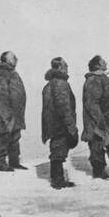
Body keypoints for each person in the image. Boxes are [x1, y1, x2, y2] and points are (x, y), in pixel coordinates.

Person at [41, 57, 78, 189]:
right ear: (59, 67)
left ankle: (57, 178)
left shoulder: (50, 84)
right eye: (65, 65)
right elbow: (64, 108)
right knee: (58, 152)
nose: (67, 67)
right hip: (60, 125)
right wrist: (71, 127)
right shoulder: (61, 84)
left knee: (57, 151)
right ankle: (57, 180)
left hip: (53, 125)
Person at [0, 51, 27, 171]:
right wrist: (7, 115)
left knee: (15, 138)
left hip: (15, 116)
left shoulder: (13, 74)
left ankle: (14, 162)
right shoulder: (0, 75)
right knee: (3, 137)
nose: (16, 59)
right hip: (4, 116)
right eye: (13, 57)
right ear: (6, 60)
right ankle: (0, 164)